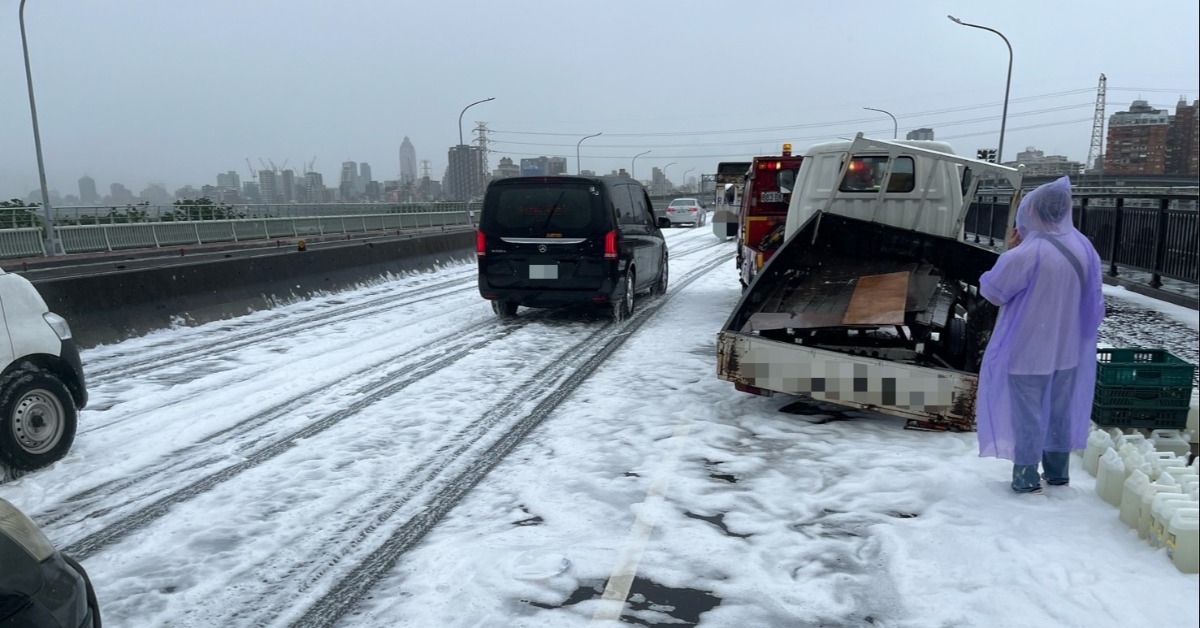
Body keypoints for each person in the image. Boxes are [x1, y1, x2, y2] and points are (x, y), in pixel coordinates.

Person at [975, 176, 1105, 495]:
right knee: (1060, 411)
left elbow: (993, 292)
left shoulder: (1024, 254)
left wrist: (1010, 250)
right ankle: (1058, 473)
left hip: (1029, 350)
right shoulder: (1083, 247)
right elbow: (1095, 299)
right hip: (1068, 349)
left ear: (1031, 212)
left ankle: (1026, 477)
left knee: (1028, 415)